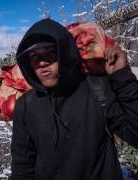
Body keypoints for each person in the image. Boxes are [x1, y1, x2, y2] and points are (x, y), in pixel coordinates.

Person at [11, 19, 138, 180]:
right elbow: (22, 165)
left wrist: (122, 77)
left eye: (51, 53)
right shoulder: (25, 105)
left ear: (65, 52)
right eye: (34, 57)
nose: (42, 62)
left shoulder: (97, 90)